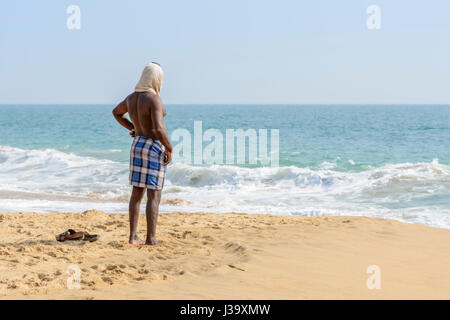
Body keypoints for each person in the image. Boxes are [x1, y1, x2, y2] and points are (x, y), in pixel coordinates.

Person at [112, 62, 173, 245]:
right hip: (153, 145)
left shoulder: (131, 98)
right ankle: (151, 239)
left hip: (138, 144)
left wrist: (133, 127)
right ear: (157, 79)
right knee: (154, 194)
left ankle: (132, 237)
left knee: (137, 193)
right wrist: (169, 148)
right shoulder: (153, 99)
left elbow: (117, 113)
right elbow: (158, 128)